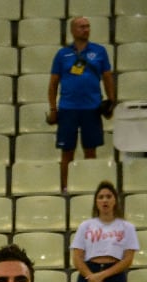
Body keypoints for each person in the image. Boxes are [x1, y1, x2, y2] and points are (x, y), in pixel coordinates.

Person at [49, 16, 117, 191]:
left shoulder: (100, 51)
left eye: (88, 26)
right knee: (67, 152)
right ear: (72, 30)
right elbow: (53, 83)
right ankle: (65, 188)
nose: (85, 30)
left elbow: (108, 77)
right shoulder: (62, 54)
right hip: (67, 109)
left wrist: (112, 101)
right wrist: (53, 108)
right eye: (81, 27)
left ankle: (90, 186)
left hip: (92, 108)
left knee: (90, 150)